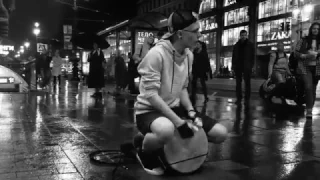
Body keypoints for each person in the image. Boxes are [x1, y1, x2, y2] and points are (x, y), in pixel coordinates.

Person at [133, 10, 229, 176]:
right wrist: (178, 122)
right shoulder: (156, 55)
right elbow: (151, 96)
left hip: (175, 108)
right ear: (179, 34)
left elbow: (182, 87)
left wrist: (191, 112)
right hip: (149, 111)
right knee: (166, 130)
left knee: (220, 133)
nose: (199, 35)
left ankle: (160, 142)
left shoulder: (189, 55)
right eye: (195, 31)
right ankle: (143, 148)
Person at [294, 22, 320, 118]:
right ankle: (309, 111)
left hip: (317, 68)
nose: (315, 30)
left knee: (312, 90)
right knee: (308, 87)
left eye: (317, 29)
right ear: (311, 29)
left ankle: (310, 108)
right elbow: (296, 53)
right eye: (314, 28)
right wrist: (305, 55)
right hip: (305, 67)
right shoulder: (304, 40)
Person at [232, 30, 255, 105]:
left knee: (247, 83)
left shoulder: (250, 45)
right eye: (242, 35)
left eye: (245, 35)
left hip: (247, 66)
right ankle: (239, 98)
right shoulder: (236, 45)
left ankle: (247, 99)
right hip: (238, 66)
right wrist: (233, 66)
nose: (243, 36)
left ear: (246, 35)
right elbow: (233, 56)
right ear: (240, 36)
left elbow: (252, 56)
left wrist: (252, 66)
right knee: (238, 83)